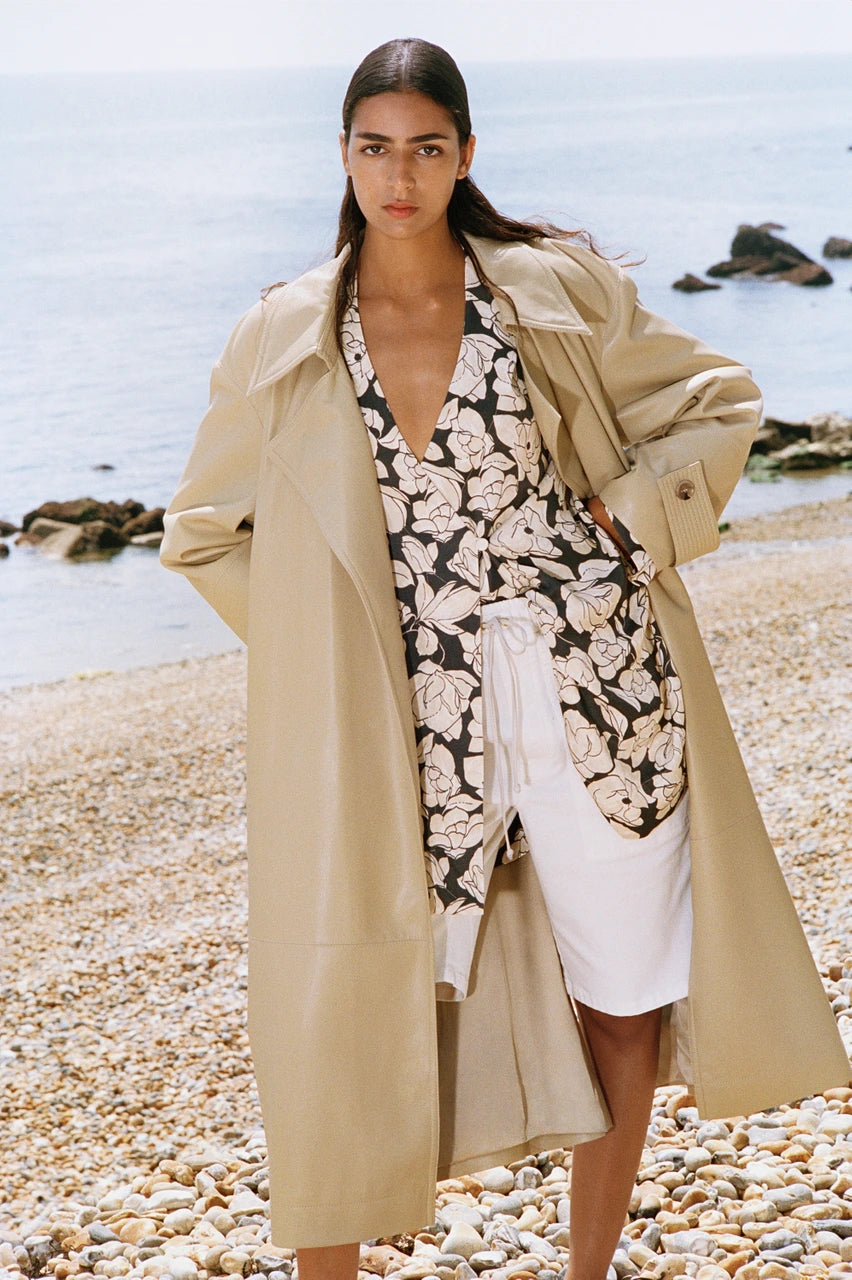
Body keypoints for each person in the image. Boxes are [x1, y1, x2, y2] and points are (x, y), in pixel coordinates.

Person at [161, 37, 848, 1280]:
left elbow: (718, 399)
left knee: (625, 992)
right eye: (376, 149)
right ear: (343, 157)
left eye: (426, 148)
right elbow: (206, 531)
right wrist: (329, 660)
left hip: (601, 685)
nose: (400, 176)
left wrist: (627, 524)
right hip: (405, 720)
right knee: (342, 1014)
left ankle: (588, 1269)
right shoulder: (284, 338)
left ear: (466, 154)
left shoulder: (552, 292)